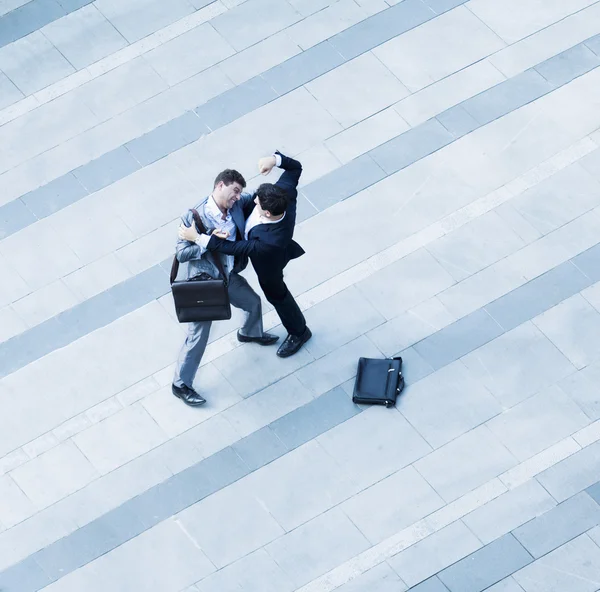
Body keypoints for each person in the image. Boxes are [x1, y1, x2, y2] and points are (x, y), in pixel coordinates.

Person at [178, 151, 311, 359]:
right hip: (269, 247)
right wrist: (274, 160)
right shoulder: (283, 192)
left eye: (257, 203)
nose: (252, 201)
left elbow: (234, 247)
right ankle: (252, 332)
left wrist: (198, 238)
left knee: (277, 295)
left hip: (269, 265)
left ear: (266, 213)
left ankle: (299, 332)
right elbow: (296, 167)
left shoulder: (269, 242)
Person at [172, 169, 278, 407]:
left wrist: (282, 171)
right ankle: (180, 385)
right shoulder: (194, 216)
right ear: (221, 185)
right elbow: (181, 253)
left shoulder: (237, 205)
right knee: (198, 335)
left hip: (228, 275)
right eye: (235, 191)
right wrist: (207, 239)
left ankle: (250, 333)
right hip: (206, 282)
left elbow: (260, 195)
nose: (238, 197)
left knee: (252, 302)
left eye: (240, 192)